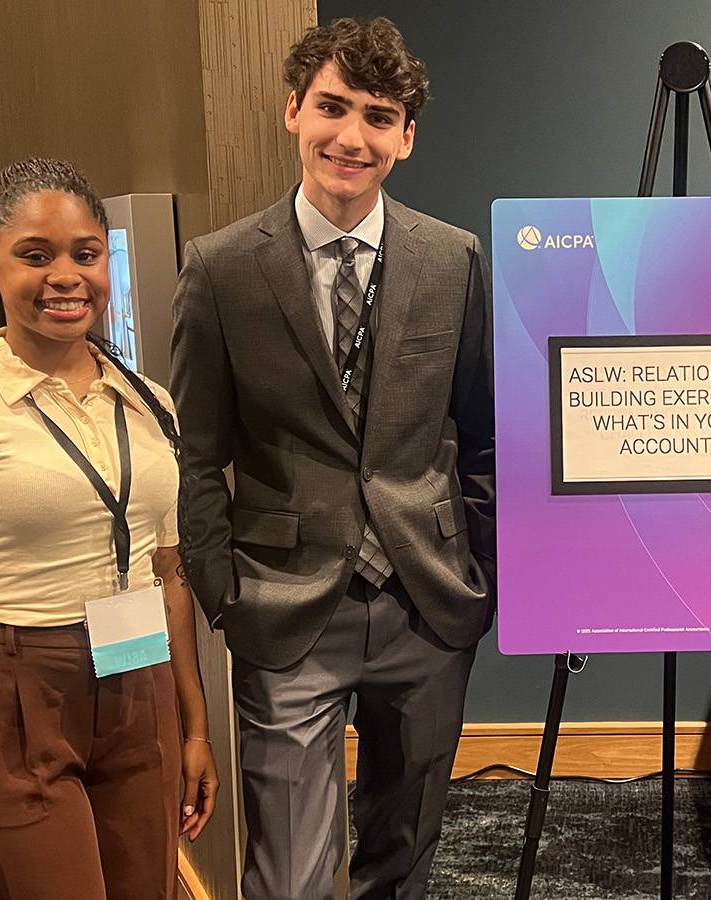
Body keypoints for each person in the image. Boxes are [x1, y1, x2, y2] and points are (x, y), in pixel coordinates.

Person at [169, 17, 494, 900]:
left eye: (378, 117)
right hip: (282, 605)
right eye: (333, 107)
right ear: (293, 111)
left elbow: (482, 434)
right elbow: (197, 457)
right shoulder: (221, 270)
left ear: (405, 137)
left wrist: (484, 573)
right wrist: (224, 596)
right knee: (289, 878)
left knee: (403, 858)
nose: (352, 137)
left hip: (426, 604)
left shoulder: (454, 259)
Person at [0, 158, 219, 900]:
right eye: (35, 255)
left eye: (85, 254)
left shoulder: (150, 404)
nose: (66, 276)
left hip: (138, 678)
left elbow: (167, 575)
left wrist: (193, 726)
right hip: (13, 689)